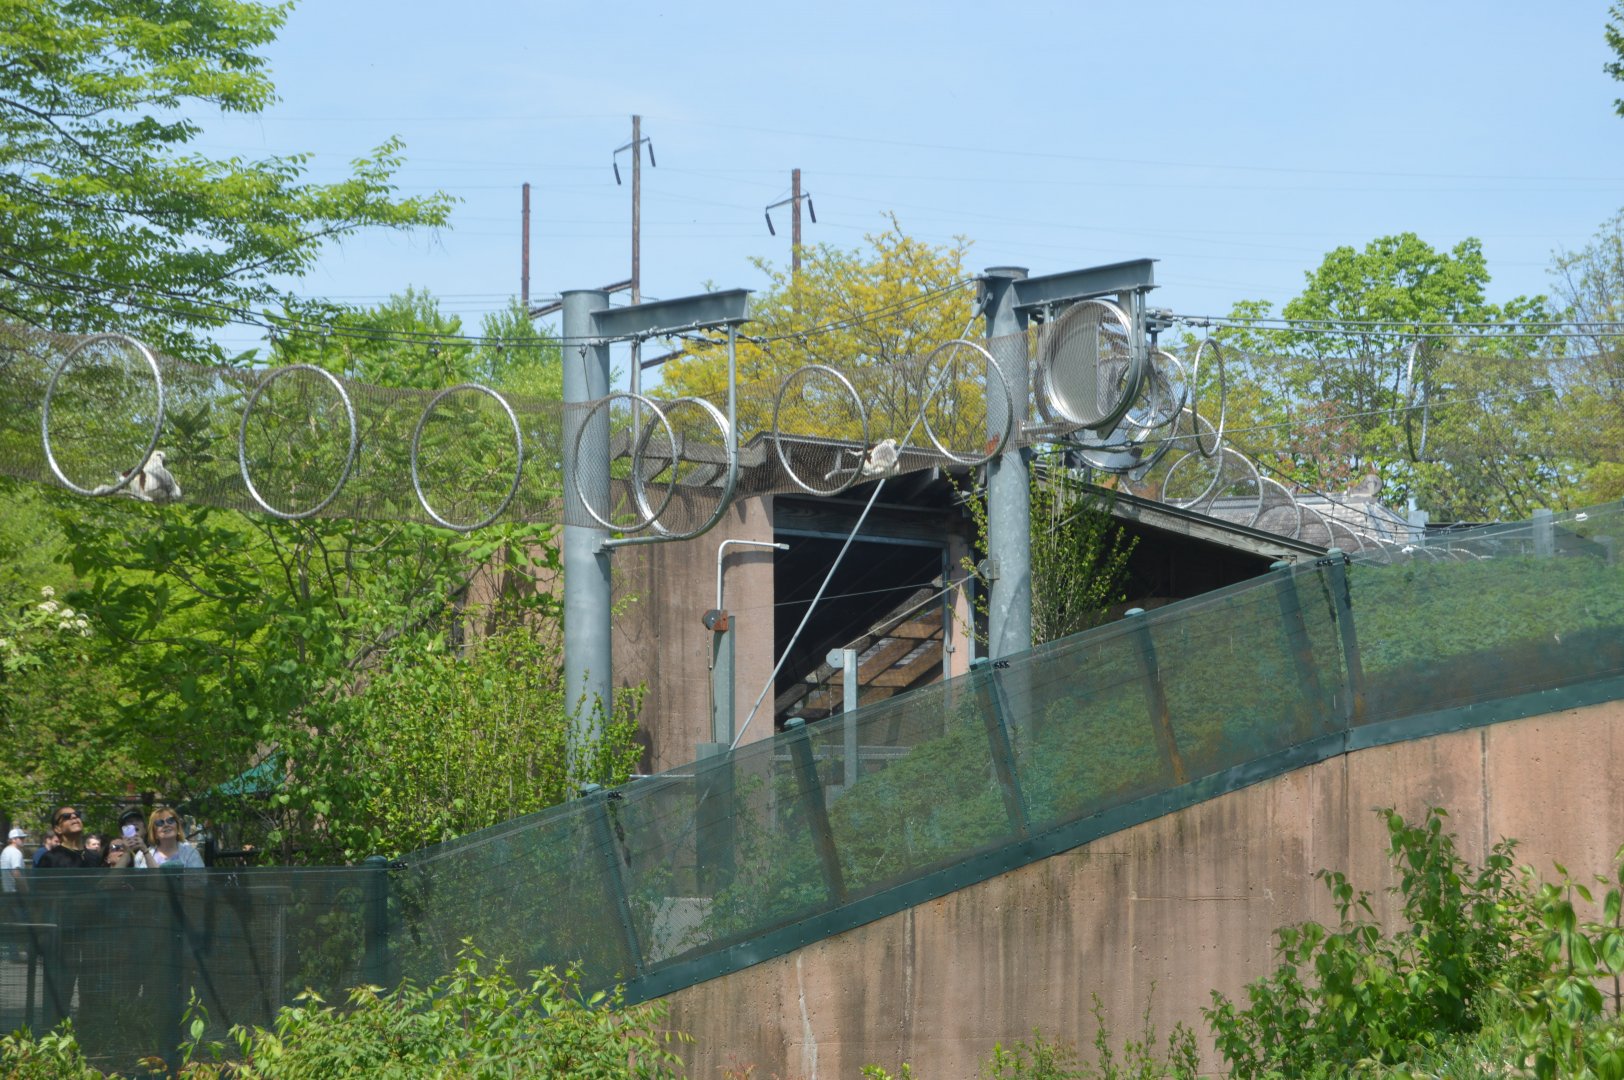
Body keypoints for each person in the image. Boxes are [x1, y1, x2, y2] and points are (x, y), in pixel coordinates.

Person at [38, 806, 103, 869]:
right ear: (58, 829)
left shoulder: (95, 857)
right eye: (66, 816)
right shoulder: (50, 859)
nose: (74, 816)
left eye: (77, 814)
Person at [2, 827, 26, 892]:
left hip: (6, 891)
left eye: (23, 838)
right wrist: (25, 888)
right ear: (13, 840)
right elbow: (16, 873)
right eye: (21, 838)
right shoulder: (16, 852)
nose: (23, 840)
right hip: (16, 892)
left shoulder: (5, 851)